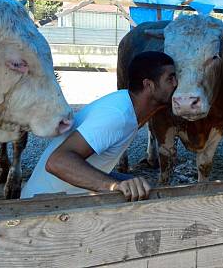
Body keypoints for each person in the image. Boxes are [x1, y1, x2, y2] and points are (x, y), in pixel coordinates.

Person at [20, 51, 177, 201]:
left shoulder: (128, 106)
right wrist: (113, 185)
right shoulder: (118, 116)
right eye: (170, 79)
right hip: (41, 207)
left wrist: (126, 181)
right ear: (149, 85)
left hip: (61, 199)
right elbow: (58, 162)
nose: (177, 84)